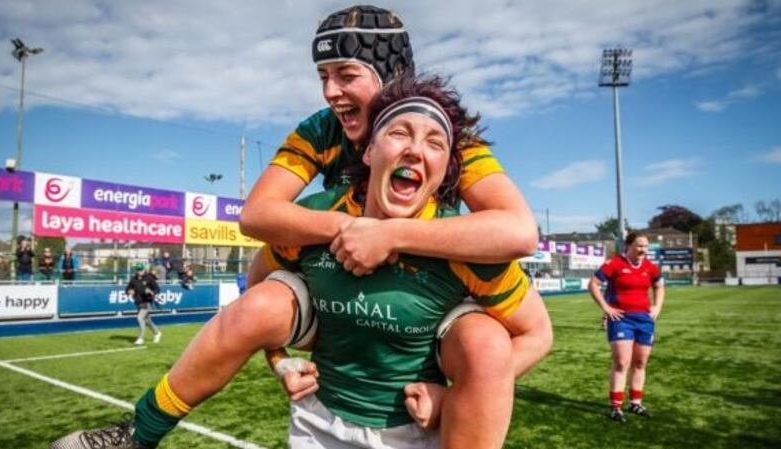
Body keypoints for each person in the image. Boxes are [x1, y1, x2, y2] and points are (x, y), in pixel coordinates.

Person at [50, 5, 541, 449]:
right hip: (337, 277)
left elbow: (518, 231)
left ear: (391, 75)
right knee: (257, 305)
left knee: (485, 344)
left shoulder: (448, 134)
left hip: (431, 299)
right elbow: (257, 216)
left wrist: (390, 235)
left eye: (346, 74)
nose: (331, 91)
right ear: (370, 152)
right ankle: (139, 433)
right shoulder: (323, 130)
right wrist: (348, 230)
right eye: (323, 76)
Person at [262, 75, 551, 448]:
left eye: (435, 142)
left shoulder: (464, 244)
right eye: (399, 133)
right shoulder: (318, 219)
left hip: (417, 433)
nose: (416, 150)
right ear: (368, 151)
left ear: (446, 168)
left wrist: (462, 393)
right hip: (317, 423)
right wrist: (278, 359)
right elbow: (259, 287)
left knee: (486, 341)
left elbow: (537, 334)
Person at [588, 231, 665, 422]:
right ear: (628, 246)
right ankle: (616, 407)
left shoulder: (650, 267)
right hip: (621, 319)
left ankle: (636, 403)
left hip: (645, 320)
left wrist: (657, 307)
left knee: (640, 363)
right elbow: (593, 284)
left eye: (646, 246)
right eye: (639, 245)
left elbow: (659, 286)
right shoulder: (614, 263)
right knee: (622, 362)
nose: (643, 250)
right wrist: (606, 308)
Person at [127, 263, 162, 346]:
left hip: (147, 301)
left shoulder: (149, 278)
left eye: (141, 270)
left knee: (139, 318)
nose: (139, 271)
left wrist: (151, 292)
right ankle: (157, 333)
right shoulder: (133, 279)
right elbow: (128, 288)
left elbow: (157, 289)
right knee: (146, 320)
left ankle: (140, 338)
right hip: (138, 302)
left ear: (144, 270)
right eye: (138, 270)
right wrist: (129, 291)